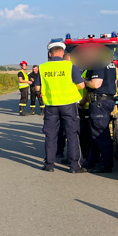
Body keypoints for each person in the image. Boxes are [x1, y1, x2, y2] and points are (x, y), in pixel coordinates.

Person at [40, 41, 86, 173]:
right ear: (62, 52)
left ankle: (49, 165)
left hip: (51, 105)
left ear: (50, 53)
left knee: (51, 135)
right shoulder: (70, 66)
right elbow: (81, 85)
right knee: (72, 135)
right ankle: (74, 166)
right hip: (68, 105)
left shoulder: (43, 68)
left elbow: (37, 87)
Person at [81, 46, 118, 173]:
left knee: (101, 134)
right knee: (96, 133)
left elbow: (96, 84)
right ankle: (92, 161)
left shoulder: (98, 64)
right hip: (106, 101)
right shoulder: (111, 65)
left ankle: (106, 164)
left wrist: (85, 81)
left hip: (99, 103)